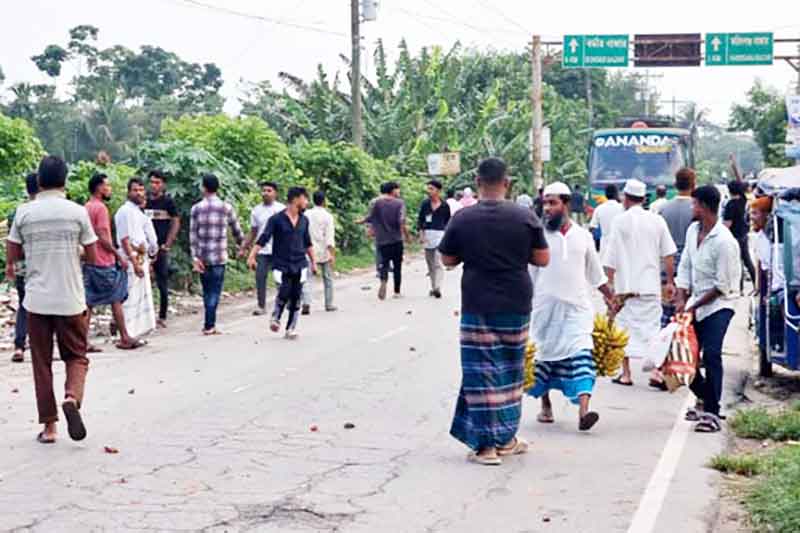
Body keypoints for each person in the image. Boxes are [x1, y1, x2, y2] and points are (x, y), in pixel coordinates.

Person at [438, 157, 550, 466]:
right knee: (510, 371)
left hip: (477, 302)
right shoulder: (525, 216)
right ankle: (506, 438)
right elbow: (542, 259)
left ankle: (488, 447)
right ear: (507, 182)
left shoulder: (463, 218)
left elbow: (447, 260)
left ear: (477, 181)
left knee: (481, 373)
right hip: (516, 302)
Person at [6, 155, 99, 443]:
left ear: (39, 180)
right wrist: (73, 251)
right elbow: (93, 256)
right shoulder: (77, 212)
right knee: (77, 356)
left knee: (42, 363)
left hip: (36, 300)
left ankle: (49, 428)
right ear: (65, 181)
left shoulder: (24, 213)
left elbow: (12, 257)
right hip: (71, 299)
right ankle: (72, 397)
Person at [528, 182, 615, 432]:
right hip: (544, 309)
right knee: (542, 359)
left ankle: (584, 411)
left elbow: (596, 274)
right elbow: (530, 274)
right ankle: (545, 405)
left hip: (576, 310)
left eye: (552, 203)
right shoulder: (538, 237)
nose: (547, 208)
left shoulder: (583, 236)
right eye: (544, 203)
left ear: (565, 204)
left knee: (582, 355)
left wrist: (610, 297)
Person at [676, 186, 741, 433]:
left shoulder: (724, 242)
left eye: (694, 205)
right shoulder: (693, 230)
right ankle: (705, 397)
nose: (691, 209)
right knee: (685, 358)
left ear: (703, 207)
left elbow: (721, 286)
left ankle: (711, 413)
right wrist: (681, 297)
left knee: (711, 354)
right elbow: (685, 266)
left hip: (718, 305)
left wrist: (692, 305)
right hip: (694, 303)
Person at [604, 179, 677, 386]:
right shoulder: (657, 221)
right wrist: (670, 282)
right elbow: (669, 254)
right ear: (644, 198)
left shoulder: (619, 222)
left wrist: (609, 286)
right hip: (650, 286)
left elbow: (611, 257)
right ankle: (657, 372)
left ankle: (626, 374)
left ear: (625, 198)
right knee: (653, 331)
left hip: (625, 287)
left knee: (623, 330)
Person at [83, 174, 144, 351]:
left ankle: (83, 341)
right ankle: (125, 337)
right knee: (116, 298)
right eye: (107, 186)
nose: (109, 189)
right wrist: (118, 256)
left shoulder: (87, 207)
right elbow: (103, 236)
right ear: (99, 188)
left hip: (90, 260)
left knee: (90, 301)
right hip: (104, 260)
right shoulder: (100, 208)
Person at [248, 187, 317, 339]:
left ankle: (291, 328)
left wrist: (314, 261)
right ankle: (276, 317)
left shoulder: (304, 220)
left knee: (296, 296)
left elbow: (308, 243)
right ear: (296, 199)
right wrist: (252, 256)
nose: (306, 202)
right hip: (281, 263)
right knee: (284, 291)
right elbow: (263, 238)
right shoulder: (276, 219)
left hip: (300, 263)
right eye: (305, 198)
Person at [190, 173, 245, 335]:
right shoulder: (226, 207)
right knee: (215, 291)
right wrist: (243, 245)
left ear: (203, 187)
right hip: (219, 256)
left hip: (202, 257)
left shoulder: (196, 208)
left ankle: (209, 323)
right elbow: (236, 230)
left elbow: (193, 235)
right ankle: (209, 325)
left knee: (207, 291)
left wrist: (194, 257)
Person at [115, 178, 158, 340]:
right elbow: (124, 239)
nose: (139, 193)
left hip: (141, 257)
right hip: (131, 258)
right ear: (128, 192)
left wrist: (151, 255)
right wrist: (134, 261)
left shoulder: (139, 213)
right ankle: (128, 332)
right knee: (130, 296)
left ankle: (138, 331)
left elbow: (150, 238)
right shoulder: (124, 212)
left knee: (140, 295)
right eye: (135, 190)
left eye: (141, 190)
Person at [659, 168, 697, 327]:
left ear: (675, 184)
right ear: (693, 184)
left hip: (667, 266)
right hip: (690, 267)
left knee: (668, 314)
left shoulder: (663, 209)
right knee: (688, 315)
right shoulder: (698, 209)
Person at [240, 182, 285, 316]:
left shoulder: (282, 209)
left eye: (269, 190)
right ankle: (261, 306)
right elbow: (253, 231)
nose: (265, 193)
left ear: (275, 193)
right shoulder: (256, 210)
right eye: (263, 190)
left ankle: (283, 302)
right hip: (262, 250)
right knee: (260, 277)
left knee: (281, 278)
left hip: (279, 249)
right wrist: (244, 247)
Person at [145, 170, 180, 328]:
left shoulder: (168, 202)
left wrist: (168, 243)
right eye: (152, 182)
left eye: (157, 182)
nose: (154, 185)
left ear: (163, 184)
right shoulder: (144, 201)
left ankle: (162, 315)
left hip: (161, 247)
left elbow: (176, 222)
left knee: (161, 281)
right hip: (143, 248)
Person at [10, 173, 39, 363]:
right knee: (41, 305)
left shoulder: (19, 211)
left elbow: (12, 242)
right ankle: (40, 345)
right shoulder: (42, 211)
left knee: (23, 303)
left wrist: (10, 265)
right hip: (39, 263)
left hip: (21, 263)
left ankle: (19, 345)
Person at [365, 181, 410, 300]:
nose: (399, 192)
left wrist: (365, 225)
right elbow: (402, 220)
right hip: (396, 239)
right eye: (398, 189)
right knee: (397, 266)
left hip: (382, 239)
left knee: (384, 264)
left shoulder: (377, 203)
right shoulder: (400, 203)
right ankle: (397, 291)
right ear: (393, 190)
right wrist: (406, 235)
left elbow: (370, 217)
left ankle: (383, 281)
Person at [418, 179, 451, 298]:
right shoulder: (425, 204)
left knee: (438, 262)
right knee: (430, 263)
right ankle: (433, 287)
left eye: (431, 189)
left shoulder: (445, 205)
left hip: (440, 235)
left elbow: (448, 222)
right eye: (428, 188)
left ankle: (438, 287)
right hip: (427, 235)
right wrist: (421, 235)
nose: (429, 191)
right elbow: (420, 220)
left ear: (438, 191)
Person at [304, 190, 337, 312]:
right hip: (323, 250)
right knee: (327, 278)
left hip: (308, 250)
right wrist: (332, 254)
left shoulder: (306, 214)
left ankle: (306, 302)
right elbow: (329, 237)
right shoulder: (328, 216)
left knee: (307, 278)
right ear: (324, 201)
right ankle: (329, 304)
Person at [723, 180, 756, 291]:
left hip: (734, 236)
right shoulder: (743, 200)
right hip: (743, 234)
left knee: (737, 263)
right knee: (747, 261)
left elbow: (728, 224)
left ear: (730, 190)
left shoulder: (730, 205)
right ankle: (756, 284)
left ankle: (740, 288)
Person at [588, 183, 624, 258]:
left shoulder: (599, 208)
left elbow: (591, 227)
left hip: (605, 246)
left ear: (605, 195)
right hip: (620, 245)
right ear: (616, 194)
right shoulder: (622, 208)